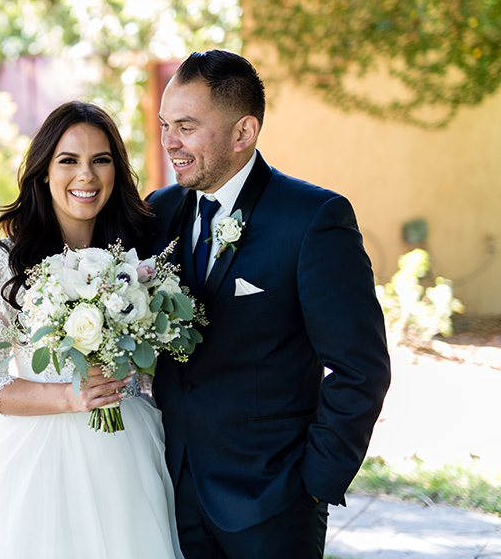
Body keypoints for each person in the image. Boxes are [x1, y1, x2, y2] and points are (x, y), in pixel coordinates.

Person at [146, 49, 391, 558]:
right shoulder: (158, 213)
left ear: (243, 133)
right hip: (170, 494)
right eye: (166, 124)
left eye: (187, 127)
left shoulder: (314, 219)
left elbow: (359, 369)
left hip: (273, 504)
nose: (170, 142)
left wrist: (315, 482)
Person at [0, 101, 182, 559]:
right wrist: (70, 397)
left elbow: (151, 371)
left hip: (128, 450)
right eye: (69, 161)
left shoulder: (138, 260)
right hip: (36, 459)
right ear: (44, 171)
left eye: (100, 160)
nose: (86, 175)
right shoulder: (4, 263)